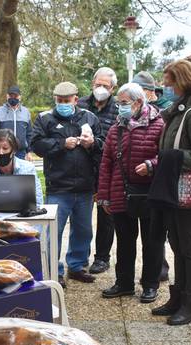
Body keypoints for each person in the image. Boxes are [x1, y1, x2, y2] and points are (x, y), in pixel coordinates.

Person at [147, 60, 191, 325]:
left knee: (189, 248)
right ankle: (177, 299)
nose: (165, 88)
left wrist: (174, 158)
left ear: (183, 83)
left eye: (169, 84)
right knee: (177, 245)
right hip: (175, 191)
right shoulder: (177, 111)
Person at [30, 82, 103, 286]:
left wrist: (92, 143)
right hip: (58, 186)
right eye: (59, 101)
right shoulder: (45, 119)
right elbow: (35, 145)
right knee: (54, 232)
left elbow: (103, 145)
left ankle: (77, 266)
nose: (62, 104)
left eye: (66, 101)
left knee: (83, 230)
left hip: (85, 187)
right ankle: (55, 270)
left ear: (75, 100)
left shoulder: (90, 117)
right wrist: (61, 144)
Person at [96, 83, 164, 303]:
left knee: (152, 242)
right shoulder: (116, 128)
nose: (120, 108)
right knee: (125, 242)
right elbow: (106, 163)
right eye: (118, 103)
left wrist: (151, 165)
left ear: (138, 102)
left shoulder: (159, 124)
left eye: (124, 103)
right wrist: (103, 195)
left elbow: (166, 156)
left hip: (150, 195)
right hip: (120, 193)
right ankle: (124, 283)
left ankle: (150, 285)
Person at [78, 67, 118, 275]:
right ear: (92, 84)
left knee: (106, 216)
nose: (100, 89)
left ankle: (102, 258)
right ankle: (79, 256)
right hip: (81, 169)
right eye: (98, 84)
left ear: (113, 88)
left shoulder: (119, 109)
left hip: (106, 170)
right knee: (81, 217)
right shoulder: (80, 105)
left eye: (105, 86)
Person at [133, 70, 172, 281]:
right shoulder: (133, 111)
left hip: (158, 176)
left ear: (148, 92)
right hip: (139, 179)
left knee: (157, 231)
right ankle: (154, 270)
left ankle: (159, 270)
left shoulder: (165, 110)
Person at [0, 86, 33, 160]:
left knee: (20, 172)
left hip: (21, 153)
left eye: (15, 96)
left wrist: (29, 152)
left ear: (20, 97)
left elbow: (29, 134)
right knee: (3, 172)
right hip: (3, 151)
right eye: (11, 96)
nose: (13, 98)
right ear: (7, 96)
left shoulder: (26, 112)